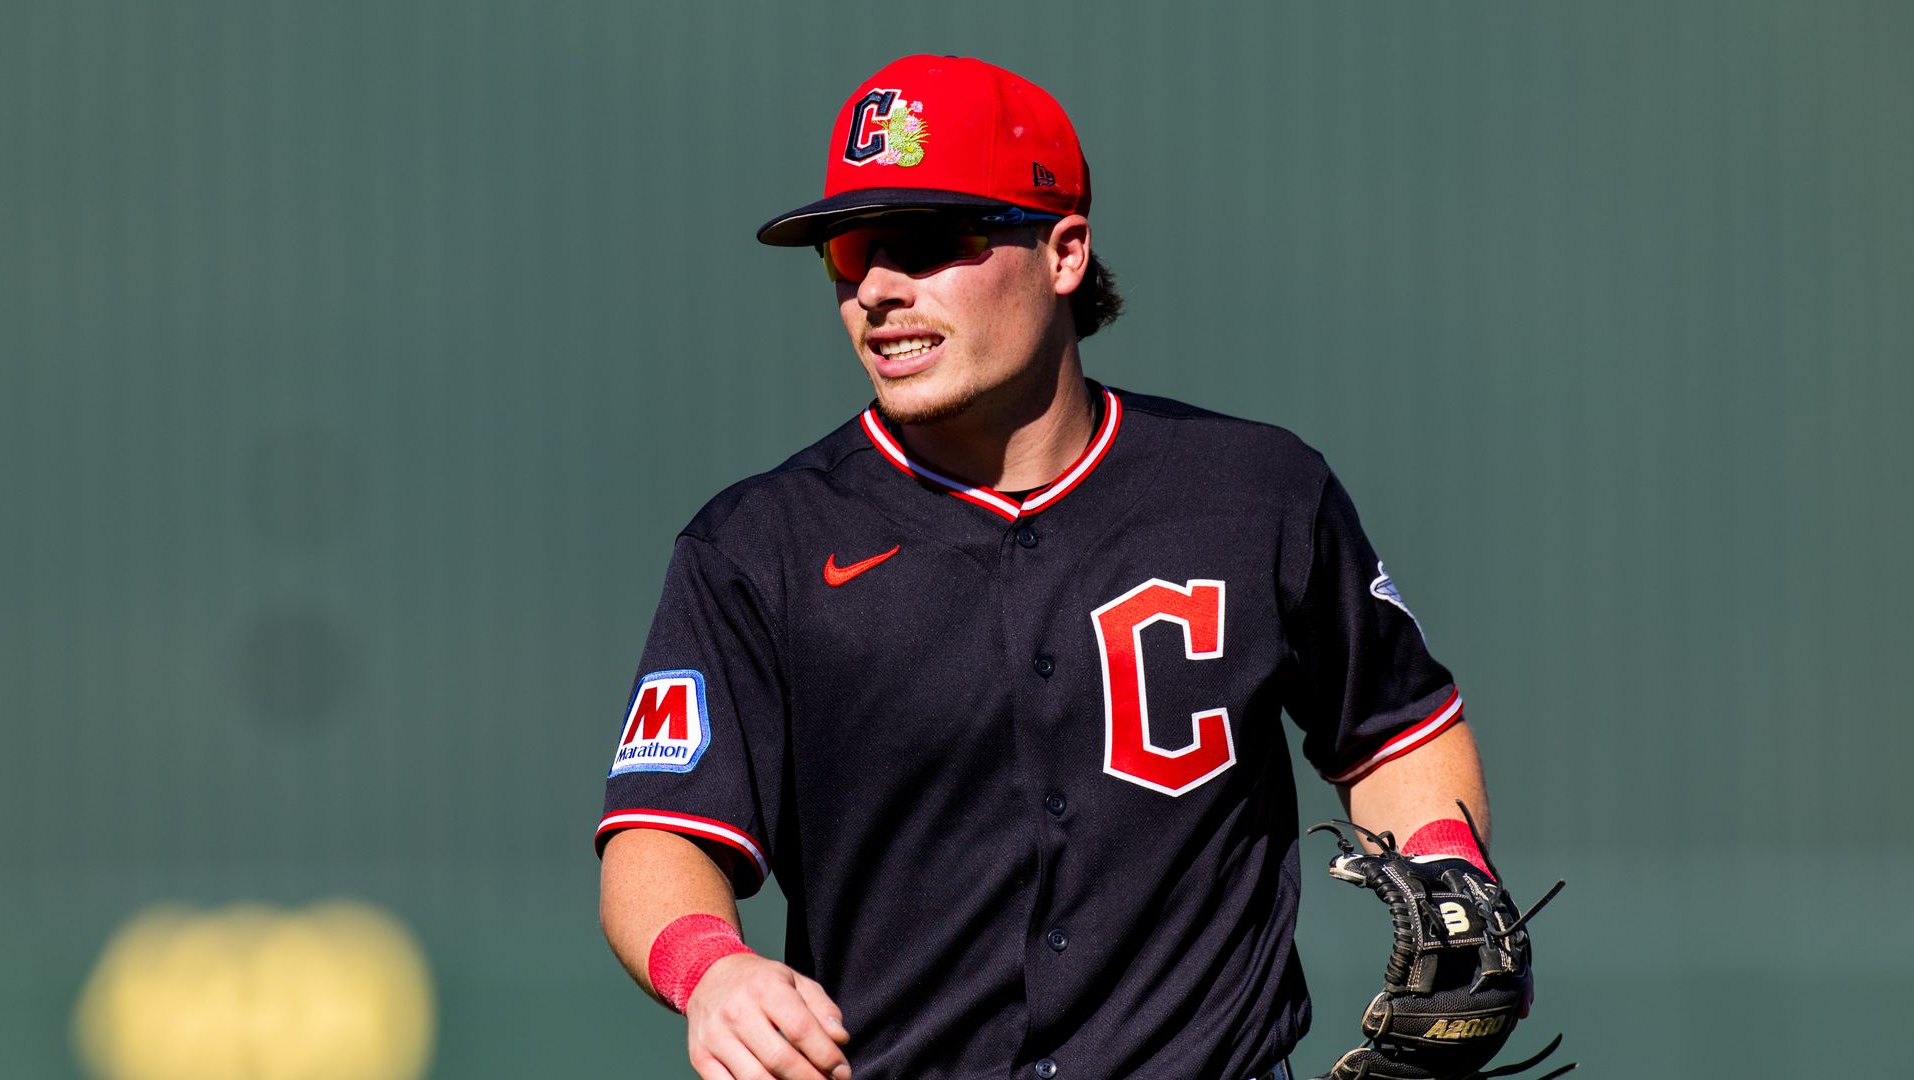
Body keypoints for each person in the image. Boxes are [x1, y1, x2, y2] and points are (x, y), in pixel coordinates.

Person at [598, 55, 1500, 1080]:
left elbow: (1395, 732)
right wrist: (709, 967)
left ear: (1065, 253)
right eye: (850, 252)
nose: (878, 291)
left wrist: (1445, 860)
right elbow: (657, 833)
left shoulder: (1255, 495)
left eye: (931, 243)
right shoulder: (760, 545)